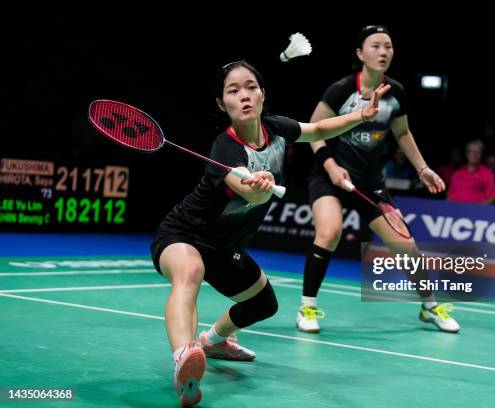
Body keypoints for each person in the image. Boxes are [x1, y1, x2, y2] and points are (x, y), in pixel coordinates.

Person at [150, 60, 390, 406]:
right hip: (183, 235)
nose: (244, 96)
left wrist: (361, 116)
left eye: (251, 87)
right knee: (191, 271)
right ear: (222, 104)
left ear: (263, 94)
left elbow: (319, 129)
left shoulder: (276, 129)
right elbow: (246, 191)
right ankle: (184, 358)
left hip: (223, 246)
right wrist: (259, 187)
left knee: (263, 304)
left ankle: (213, 341)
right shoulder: (225, 147)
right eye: (233, 91)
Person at [297, 25, 460, 334]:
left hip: (370, 183)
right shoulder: (342, 89)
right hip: (330, 176)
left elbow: (402, 132)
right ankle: (307, 306)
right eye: (376, 46)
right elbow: (313, 130)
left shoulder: (396, 93)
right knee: (329, 231)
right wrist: (330, 164)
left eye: (388, 46)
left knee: (406, 245)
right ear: (360, 53)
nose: (384, 51)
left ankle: (429, 307)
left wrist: (422, 168)